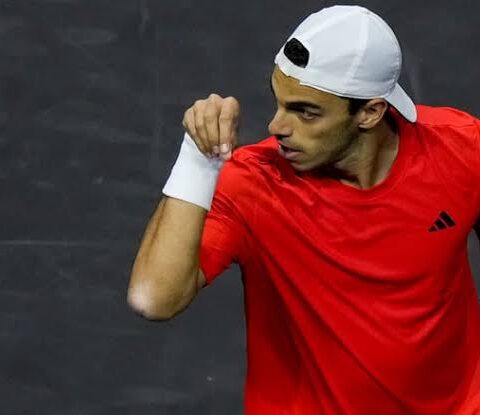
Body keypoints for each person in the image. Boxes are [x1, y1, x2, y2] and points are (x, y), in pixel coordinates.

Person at [127, 5, 480, 414]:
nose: (277, 127)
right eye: (279, 103)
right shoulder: (253, 184)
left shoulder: (462, 149)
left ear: (370, 112)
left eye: (305, 112)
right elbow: (152, 299)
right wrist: (197, 160)